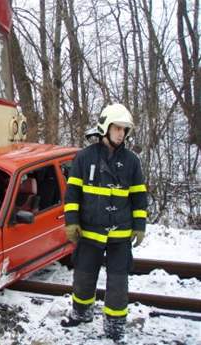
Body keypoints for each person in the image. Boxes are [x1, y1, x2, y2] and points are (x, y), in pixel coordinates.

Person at [61, 104, 147, 342]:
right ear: (105, 128)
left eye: (124, 129)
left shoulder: (132, 161)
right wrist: (71, 222)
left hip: (120, 234)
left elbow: (139, 196)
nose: (121, 133)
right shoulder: (84, 157)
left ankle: (115, 325)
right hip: (90, 231)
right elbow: (72, 194)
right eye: (117, 128)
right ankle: (81, 313)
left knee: (118, 282)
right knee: (84, 276)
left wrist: (139, 225)